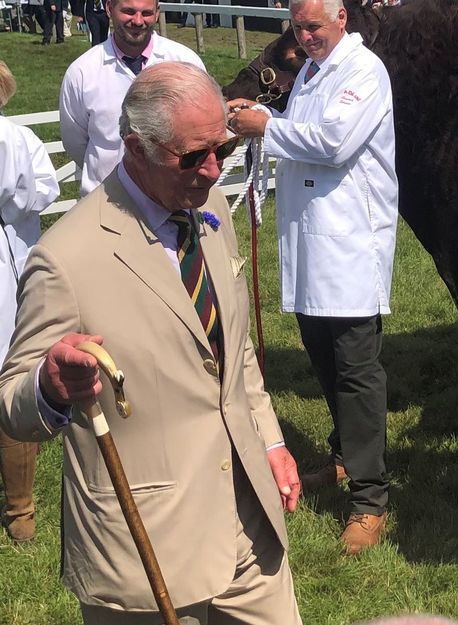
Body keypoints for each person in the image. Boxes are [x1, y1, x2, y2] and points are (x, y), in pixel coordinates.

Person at [0, 61, 303, 624]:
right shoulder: (65, 259)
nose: (213, 171)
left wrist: (269, 442)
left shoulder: (208, 208)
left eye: (223, 149)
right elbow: (12, 404)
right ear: (135, 149)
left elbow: (230, 350)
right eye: (192, 157)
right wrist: (48, 386)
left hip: (249, 522)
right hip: (147, 548)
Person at [227, 0, 398, 556]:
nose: (305, 37)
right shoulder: (313, 73)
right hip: (308, 244)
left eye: (315, 26)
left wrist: (266, 124)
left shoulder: (363, 71)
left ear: (343, 18)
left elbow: (333, 143)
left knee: (356, 369)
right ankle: (348, 456)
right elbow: (301, 133)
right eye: (298, 28)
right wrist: (262, 120)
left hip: (348, 245)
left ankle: (371, 500)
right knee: (323, 357)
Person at [59, 0, 204, 198]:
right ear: (109, 9)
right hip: (106, 200)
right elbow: (75, 142)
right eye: (128, 11)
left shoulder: (185, 62)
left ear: (157, 12)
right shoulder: (82, 72)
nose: (137, 21)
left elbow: (201, 131)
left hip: (173, 199)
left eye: (146, 13)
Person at [0, 59, 59, 544]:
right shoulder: (18, 140)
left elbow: (43, 189)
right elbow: (40, 190)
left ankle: (20, 508)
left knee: (9, 379)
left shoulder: (14, 139)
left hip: (7, 266)